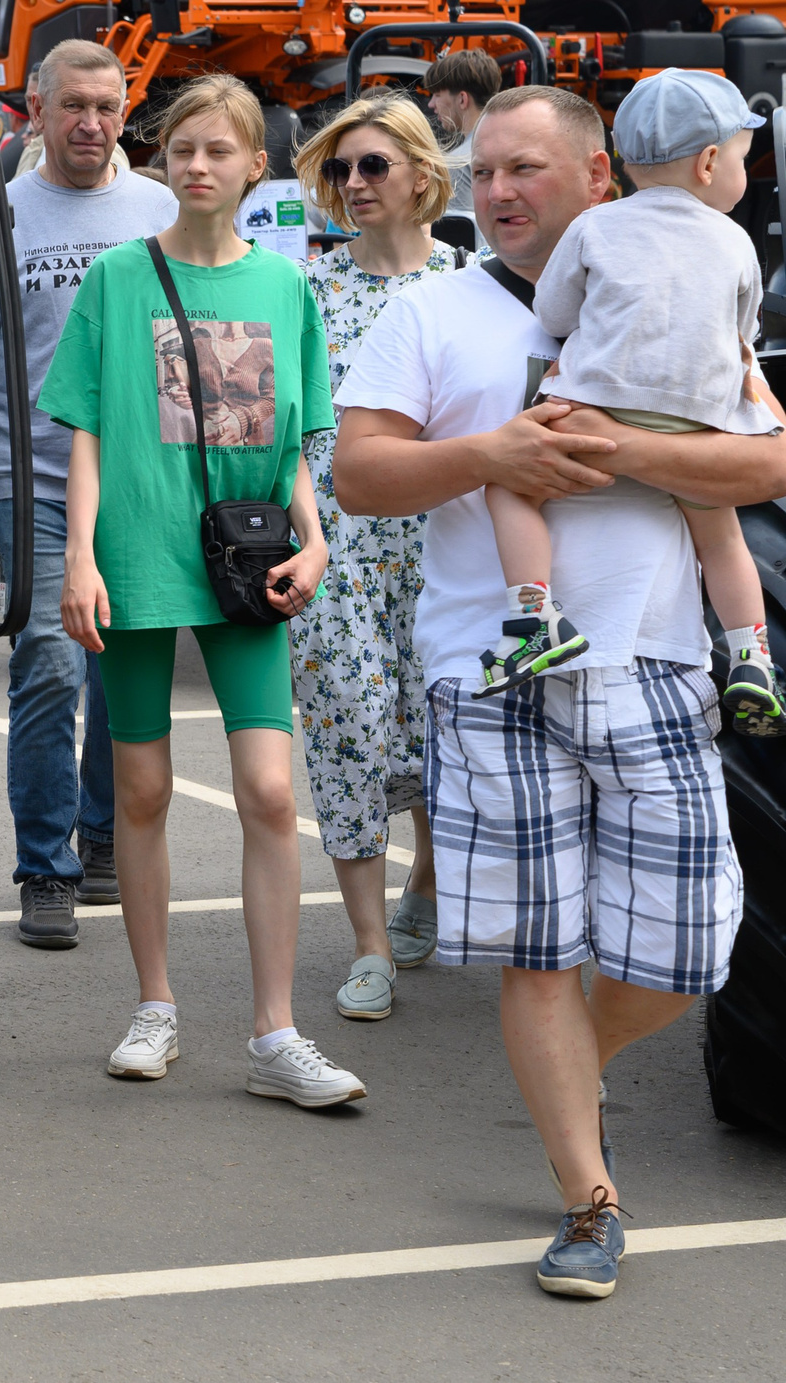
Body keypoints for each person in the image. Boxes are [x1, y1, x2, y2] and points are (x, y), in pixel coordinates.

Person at [334, 83, 784, 1298]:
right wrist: (491, 453)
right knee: (539, 950)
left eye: (522, 169)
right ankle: (589, 1196)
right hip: (493, 670)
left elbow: (766, 455)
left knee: (690, 948)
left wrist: (617, 448)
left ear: (599, 178)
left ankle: (563, 1066)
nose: (494, 194)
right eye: (480, 174)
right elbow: (363, 472)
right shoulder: (429, 311)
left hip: (658, 661)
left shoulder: (684, 289)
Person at [41, 74, 367, 1108]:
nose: (194, 165)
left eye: (217, 149)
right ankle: (155, 1004)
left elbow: (303, 444)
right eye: (179, 147)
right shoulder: (115, 278)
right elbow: (85, 430)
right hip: (136, 559)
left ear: (251, 166)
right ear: (160, 159)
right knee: (137, 791)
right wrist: (78, 555)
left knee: (271, 791)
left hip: (247, 566)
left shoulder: (284, 288)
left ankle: (275, 1032)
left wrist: (316, 544)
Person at [0, 39, 175, 947]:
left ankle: (102, 832)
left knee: (123, 675)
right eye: (74, 105)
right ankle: (46, 866)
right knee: (49, 668)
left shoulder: (159, 207)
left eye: (107, 106)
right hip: (31, 487)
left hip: (138, 488)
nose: (92, 124)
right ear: (35, 109)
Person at [470, 70, 781, 728]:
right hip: (700, 429)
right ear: (708, 163)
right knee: (722, 540)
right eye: (743, 158)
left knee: (506, 488)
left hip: (594, 417)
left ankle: (534, 618)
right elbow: (745, 331)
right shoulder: (736, 242)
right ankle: (751, 654)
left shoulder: (597, 226)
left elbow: (554, 311)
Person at [283, 94, 455, 1019]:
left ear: (423, 176)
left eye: (374, 167)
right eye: (341, 170)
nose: (353, 185)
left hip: (445, 546)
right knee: (347, 733)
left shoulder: (471, 283)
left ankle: (424, 880)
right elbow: (280, 427)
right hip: (336, 548)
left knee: (439, 731)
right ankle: (370, 946)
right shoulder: (307, 291)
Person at [423, 49, 502, 252]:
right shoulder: (514, 145)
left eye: (437, 94)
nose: (431, 104)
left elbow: (458, 241)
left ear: (462, 100)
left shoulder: (456, 163)